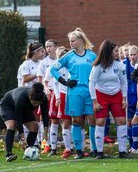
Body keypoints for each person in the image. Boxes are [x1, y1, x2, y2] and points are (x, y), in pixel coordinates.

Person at [50, 28, 97, 159]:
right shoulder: (68, 56)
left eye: (73, 41)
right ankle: (79, 150)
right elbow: (53, 69)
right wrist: (64, 81)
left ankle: (95, 149)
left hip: (89, 91)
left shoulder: (92, 55)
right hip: (74, 92)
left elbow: (98, 71)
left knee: (92, 120)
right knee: (76, 120)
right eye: (70, 41)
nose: (71, 43)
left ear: (81, 41)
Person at [89, 39, 129, 159]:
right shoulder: (97, 66)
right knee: (100, 122)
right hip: (101, 95)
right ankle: (100, 152)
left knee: (121, 121)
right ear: (108, 52)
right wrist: (95, 102)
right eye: (116, 51)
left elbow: (124, 83)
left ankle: (123, 151)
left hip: (116, 95)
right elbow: (91, 83)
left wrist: (124, 98)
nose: (118, 53)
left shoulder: (120, 65)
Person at [0, 82, 49, 162]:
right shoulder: (21, 98)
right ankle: (9, 154)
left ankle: (29, 152)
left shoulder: (43, 98)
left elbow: (45, 115)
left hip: (25, 109)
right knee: (12, 124)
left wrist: (45, 134)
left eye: (38, 103)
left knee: (34, 127)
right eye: (34, 103)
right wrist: (22, 138)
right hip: (8, 105)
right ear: (30, 97)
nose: (36, 105)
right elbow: (19, 119)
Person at [39, 39, 59, 154]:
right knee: (46, 119)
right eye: (47, 46)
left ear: (56, 46)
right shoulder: (43, 62)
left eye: (50, 46)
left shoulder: (61, 60)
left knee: (61, 119)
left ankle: (68, 145)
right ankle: (46, 144)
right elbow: (41, 80)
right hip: (49, 92)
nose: (48, 48)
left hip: (60, 92)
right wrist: (46, 89)